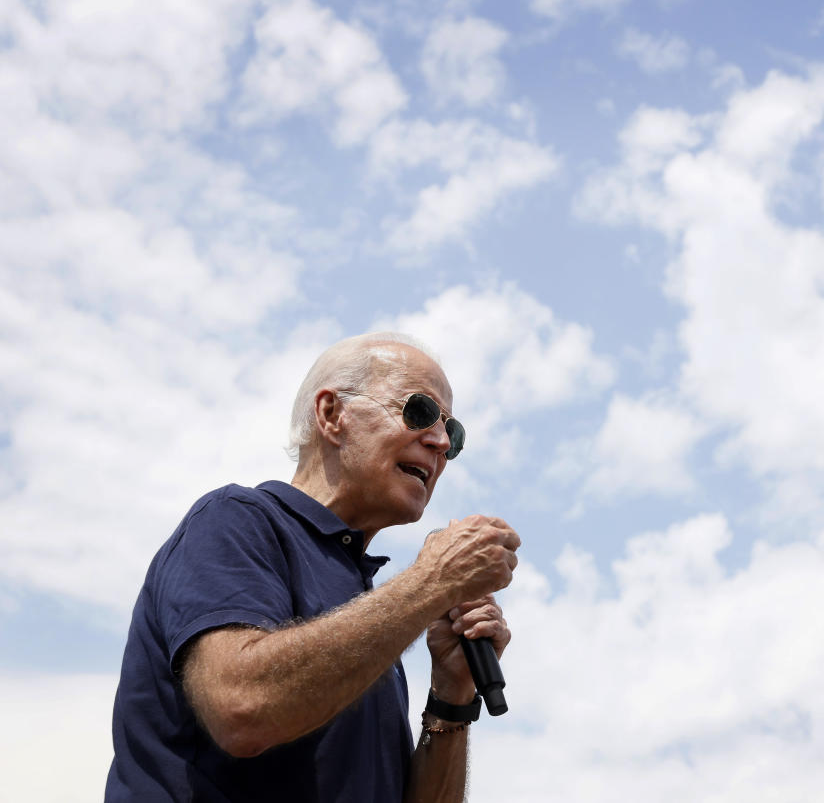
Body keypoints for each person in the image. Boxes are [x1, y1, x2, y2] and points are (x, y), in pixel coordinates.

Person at [104, 332, 521, 802]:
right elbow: (243, 710)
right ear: (332, 415)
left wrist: (451, 696)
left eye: (454, 433)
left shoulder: (369, 609)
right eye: (419, 411)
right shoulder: (234, 520)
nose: (441, 442)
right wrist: (431, 584)